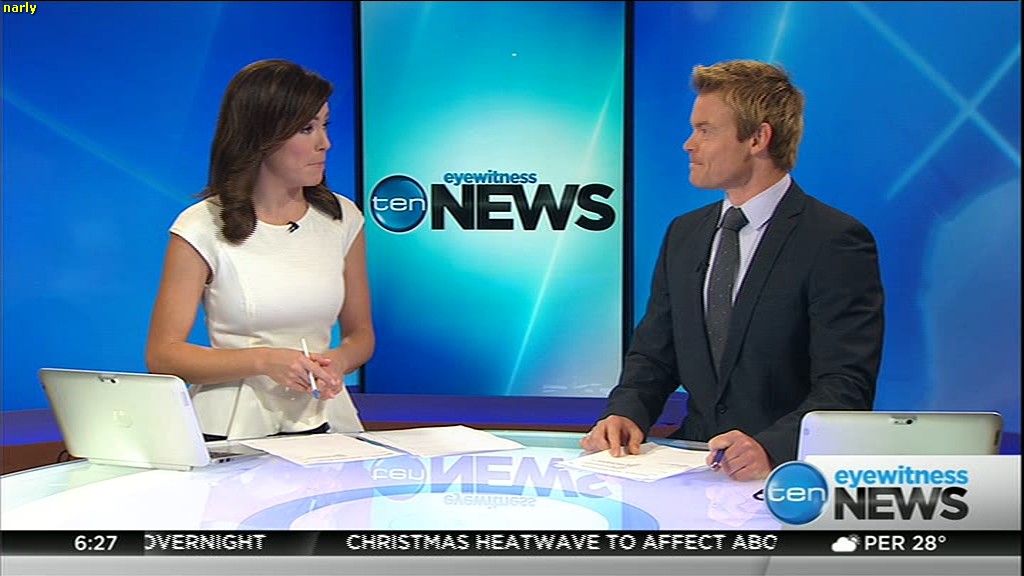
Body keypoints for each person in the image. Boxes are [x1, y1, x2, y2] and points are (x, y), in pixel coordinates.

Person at [581, 60, 884, 481]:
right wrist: (625, 413)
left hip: (785, 478)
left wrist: (772, 448)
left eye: (705, 130)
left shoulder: (834, 240)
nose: (689, 144)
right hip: (694, 468)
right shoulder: (685, 233)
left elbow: (846, 385)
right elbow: (654, 355)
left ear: (758, 138)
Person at [146, 59, 374, 440]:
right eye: (306, 128)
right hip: (231, 428)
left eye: (325, 125)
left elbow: (361, 334)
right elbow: (163, 354)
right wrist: (264, 361)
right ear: (262, 135)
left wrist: (337, 361)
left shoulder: (342, 218)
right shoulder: (201, 226)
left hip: (323, 421)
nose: (325, 143)